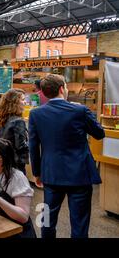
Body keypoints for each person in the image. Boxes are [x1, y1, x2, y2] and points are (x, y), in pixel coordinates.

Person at [28, 74, 105, 238]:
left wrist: (37, 173)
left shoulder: (36, 114)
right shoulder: (80, 110)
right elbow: (99, 133)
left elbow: (33, 147)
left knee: (47, 218)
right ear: (62, 89)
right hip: (79, 175)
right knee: (79, 221)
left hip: (51, 173)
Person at [0, 88, 29, 175]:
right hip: (16, 163)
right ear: (14, 103)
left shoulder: (2, 119)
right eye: (22, 99)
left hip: (5, 159)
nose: (25, 102)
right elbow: (21, 146)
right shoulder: (18, 121)